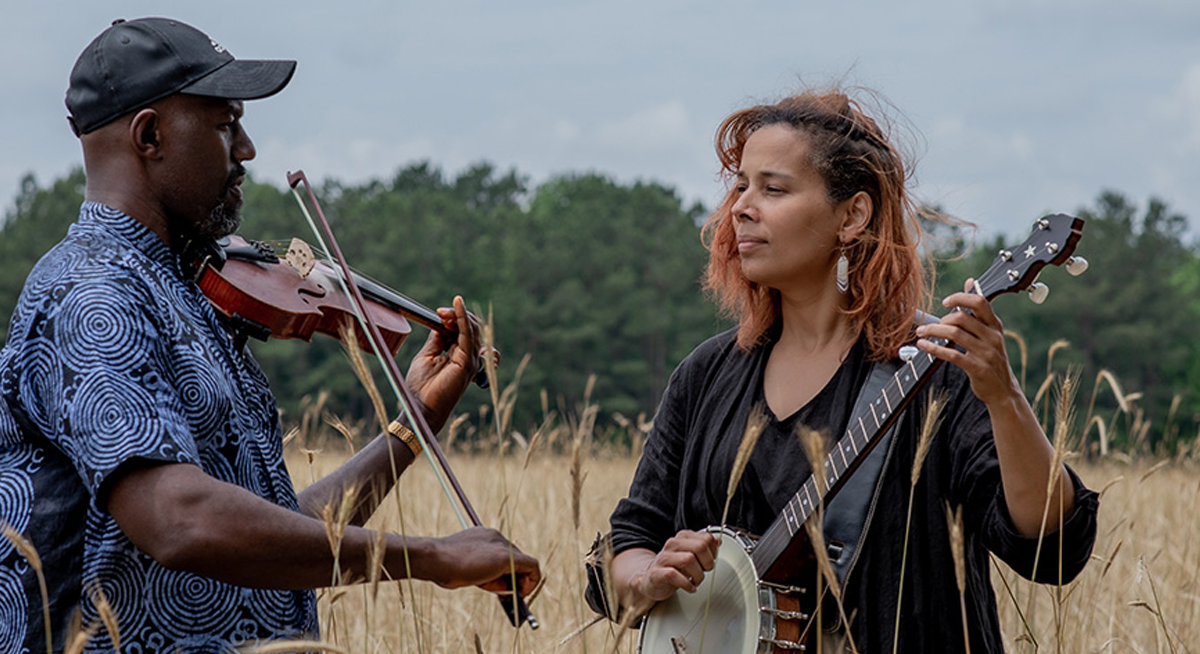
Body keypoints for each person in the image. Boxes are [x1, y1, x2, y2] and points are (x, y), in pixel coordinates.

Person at [0, 17, 538, 653]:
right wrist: (430, 558)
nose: (248, 148)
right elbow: (182, 521)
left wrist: (412, 425)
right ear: (149, 135)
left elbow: (274, 533)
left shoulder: (186, 295)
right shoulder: (93, 294)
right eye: (226, 123)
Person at [587, 89, 1098, 652]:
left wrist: (1004, 399)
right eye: (740, 185)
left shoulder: (936, 367)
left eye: (773, 188)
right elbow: (630, 541)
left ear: (852, 215)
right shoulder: (706, 375)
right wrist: (649, 576)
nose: (740, 207)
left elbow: (1050, 549)